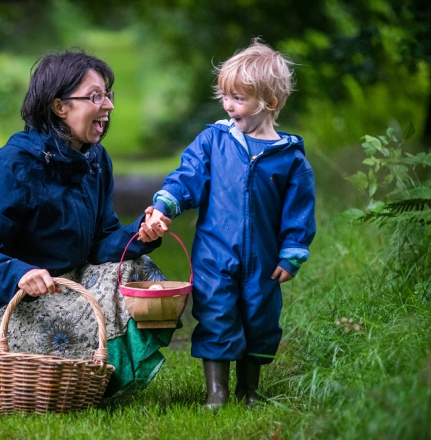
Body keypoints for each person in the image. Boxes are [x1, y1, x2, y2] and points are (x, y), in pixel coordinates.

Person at [0, 49, 172, 411]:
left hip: (65, 284)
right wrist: (21, 274)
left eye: (108, 95)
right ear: (59, 107)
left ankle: (91, 382)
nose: (109, 107)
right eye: (95, 96)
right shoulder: (9, 168)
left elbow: (101, 242)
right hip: (3, 304)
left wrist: (141, 234)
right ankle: (25, 383)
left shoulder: (95, 160)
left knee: (137, 272)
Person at [139, 38, 316, 411]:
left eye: (238, 98)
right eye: (225, 96)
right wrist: (164, 204)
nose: (228, 105)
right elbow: (187, 177)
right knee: (217, 313)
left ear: (268, 101)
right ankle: (216, 393)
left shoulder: (290, 159)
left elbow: (299, 209)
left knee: (260, 319)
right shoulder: (213, 141)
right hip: (215, 256)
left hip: (264, 260)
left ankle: (249, 390)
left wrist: (293, 252)